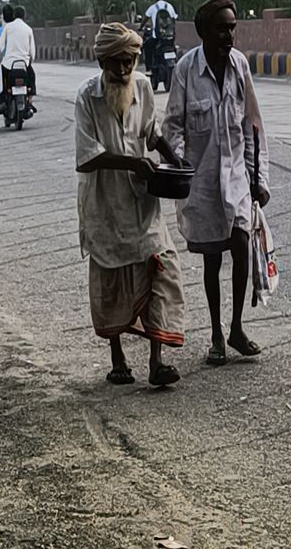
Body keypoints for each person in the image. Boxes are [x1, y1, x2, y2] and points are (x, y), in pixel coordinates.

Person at [75, 23, 185, 387]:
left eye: (129, 63)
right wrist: (130, 163)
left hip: (142, 201)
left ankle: (157, 361)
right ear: (102, 61)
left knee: (160, 267)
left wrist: (175, 160)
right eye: (116, 64)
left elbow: (152, 133)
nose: (123, 71)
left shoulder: (142, 86)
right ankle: (117, 356)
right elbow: (87, 157)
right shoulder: (86, 98)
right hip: (105, 204)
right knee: (111, 279)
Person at [164, 0, 270, 367]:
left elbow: (253, 126)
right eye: (222, 28)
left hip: (237, 175)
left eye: (233, 28)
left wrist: (260, 178)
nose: (229, 35)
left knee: (241, 241)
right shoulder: (186, 70)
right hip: (203, 178)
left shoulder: (240, 66)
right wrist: (177, 163)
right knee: (212, 258)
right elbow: (173, 125)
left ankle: (237, 326)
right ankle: (215, 334)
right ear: (205, 32)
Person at [0, 5, 37, 109]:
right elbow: (32, 52)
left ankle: (2, 101)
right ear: (24, 16)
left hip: (9, 64)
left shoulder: (8, 28)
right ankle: (30, 101)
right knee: (32, 77)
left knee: (1, 79)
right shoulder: (28, 29)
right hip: (24, 64)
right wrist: (30, 61)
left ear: (14, 15)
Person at [141, 0, 179, 71]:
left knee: (147, 46)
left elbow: (145, 19)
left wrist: (140, 27)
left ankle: (149, 69)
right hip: (170, 38)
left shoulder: (153, 7)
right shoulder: (169, 6)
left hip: (157, 38)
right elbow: (173, 20)